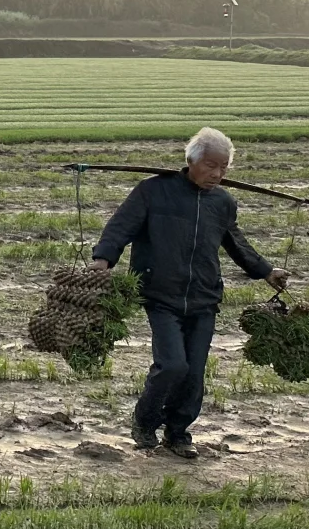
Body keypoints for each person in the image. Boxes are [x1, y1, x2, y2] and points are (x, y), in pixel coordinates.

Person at [91, 127, 290, 459]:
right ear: (192, 161)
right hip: (159, 294)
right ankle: (144, 422)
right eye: (211, 165)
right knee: (172, 365)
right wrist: (103, 259)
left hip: (204, 296)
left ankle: (178, 432)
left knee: (194, 372)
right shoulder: (153, 191)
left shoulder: (223, 203)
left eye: (224, 168)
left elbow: (236, 242)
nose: (218, 174)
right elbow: (120, 226)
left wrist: (267, 271)